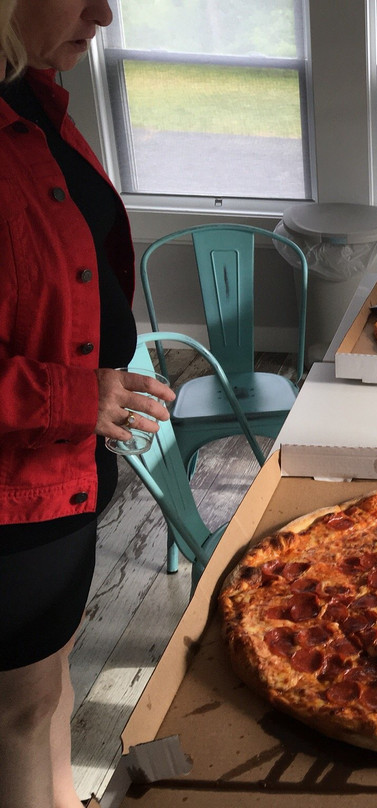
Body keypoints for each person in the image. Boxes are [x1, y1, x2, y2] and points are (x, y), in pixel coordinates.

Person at [0, 1, 175, 806]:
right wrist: (75, 395)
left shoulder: (33, 97)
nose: (104, 13)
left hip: (67, 467)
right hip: (15, 491)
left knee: (50, 686)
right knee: (19, 712)